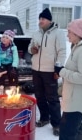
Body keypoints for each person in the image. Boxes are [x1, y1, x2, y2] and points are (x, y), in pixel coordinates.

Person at [27, 8, 66, 136]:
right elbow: (29, 48)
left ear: (49, 20)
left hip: (49, 71)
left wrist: (58, 68)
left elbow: (62, 52)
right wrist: (32, 50)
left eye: (43, 19)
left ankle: (57, 124)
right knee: (39, 96)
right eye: (40, 19)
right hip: (36, 70)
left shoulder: (58, 33)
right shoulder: (36, 33)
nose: (40, 21)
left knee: (52, 98)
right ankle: (44, 118)